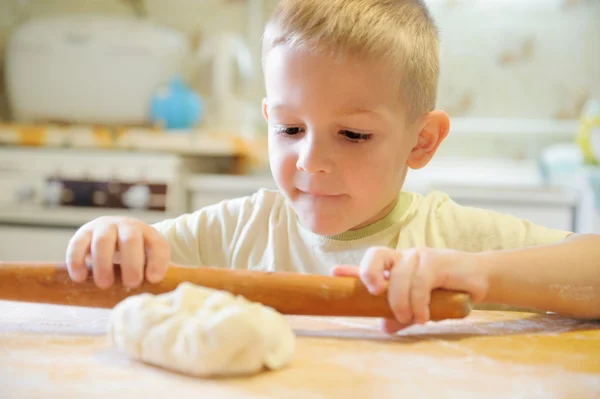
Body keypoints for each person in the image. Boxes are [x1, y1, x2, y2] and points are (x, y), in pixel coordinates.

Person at [65, 0, 600, 333]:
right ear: (268, 119)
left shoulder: (448, 239)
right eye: (291, 130)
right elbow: (120, 268)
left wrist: (479, 274)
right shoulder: (235, 232)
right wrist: (111, 235)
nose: (312, 162)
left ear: (422, 141)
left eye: (353, 134)